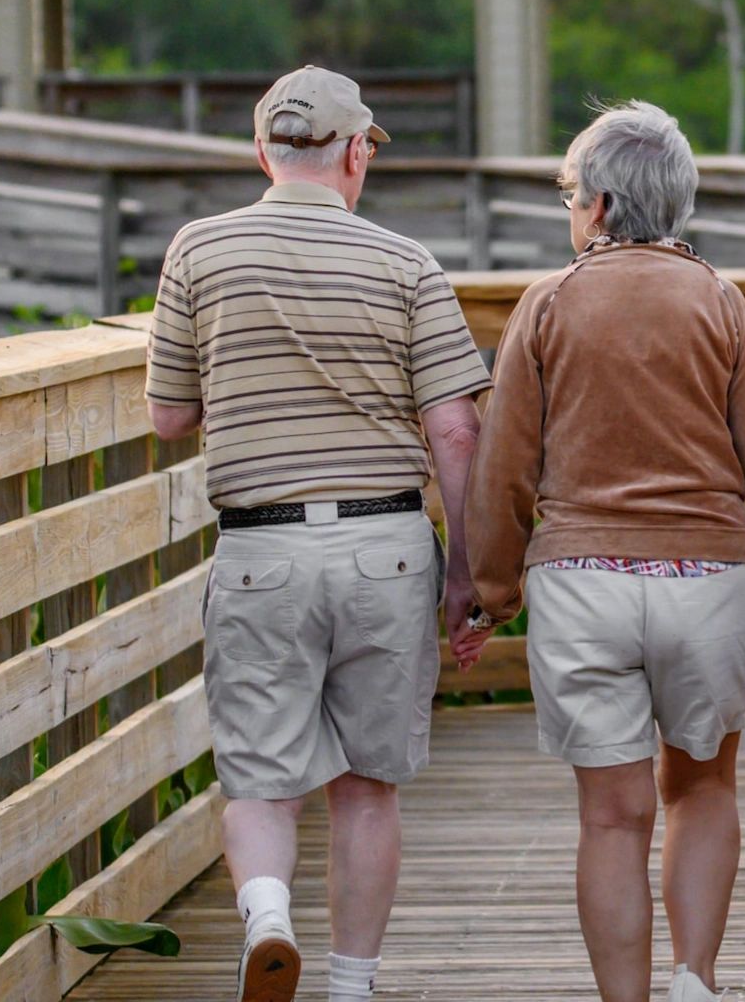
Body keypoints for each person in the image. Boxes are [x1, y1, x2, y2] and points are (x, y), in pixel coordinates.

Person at [464, 101, 745, 1002]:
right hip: (709, 578)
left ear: (594, 205)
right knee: (701, 789)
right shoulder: (719, 300)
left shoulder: (548, 304)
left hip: (580, 581)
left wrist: (488, 592)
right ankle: (695, 983)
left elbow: (504, 465)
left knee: (612, 818)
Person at [143, 66, 494, 1002]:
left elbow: (169, 417)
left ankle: (266, 917)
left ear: (263, 151)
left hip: (262, 548)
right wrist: (467, 572)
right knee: (367, 786)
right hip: (384, 548)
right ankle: (351, 985)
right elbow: (456, 429)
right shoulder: (407, 263)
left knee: (261, 777)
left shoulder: (198, 251)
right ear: (352, 153)